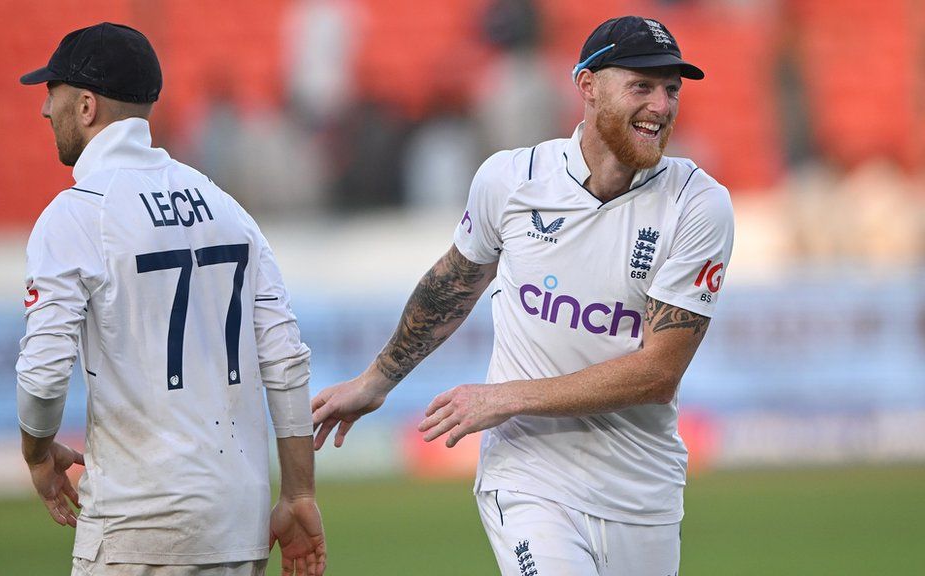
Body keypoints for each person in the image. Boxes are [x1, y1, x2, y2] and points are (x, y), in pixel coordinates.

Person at [312, 15, 733, 576]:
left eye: (671, 89)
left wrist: (502, 398)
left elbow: (658, 375)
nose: (661, 105)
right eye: (642, 86)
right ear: (587, 86)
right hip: (528, 478)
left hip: (642, 492)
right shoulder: (511, 180)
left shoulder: (697, 205)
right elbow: (452, 286)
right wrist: (374, 382)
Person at [16, 23, 326, 576]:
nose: (45, 112)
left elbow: (43, 376)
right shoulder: (226, 207)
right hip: (238, 525)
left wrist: (38, 455)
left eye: (52, 95)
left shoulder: (77, 213)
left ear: (86, 106)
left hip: (138, 527)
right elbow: (285, 360)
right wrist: (299, 492)